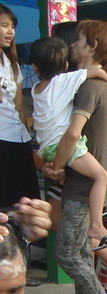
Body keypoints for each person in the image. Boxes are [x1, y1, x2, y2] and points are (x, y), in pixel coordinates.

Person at [44, 20, 107, 294]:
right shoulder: (90, 83)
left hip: (81, 184)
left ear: (92, 46)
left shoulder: (90, 88)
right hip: (82, 182)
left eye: (77, 40)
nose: (72, 45)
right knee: (79, 251)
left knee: (68, 254)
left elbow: (74, 132)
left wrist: (57, 166)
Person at [29, 37, 107, 247]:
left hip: (47, 149)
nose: (74, 45)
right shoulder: (65, 81)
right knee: (101, 176)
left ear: (35, 67)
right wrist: (106, 80)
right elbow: (96, 73)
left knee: (66, 205)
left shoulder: (36, 89)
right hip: (66, 146)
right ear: (65, 66)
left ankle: (101, 246)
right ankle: (97, 225)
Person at [0, 4, 40, 210]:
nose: (10, 31)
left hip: (18, 138)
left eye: (12, 26)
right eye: (4, 25)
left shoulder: (11, 63)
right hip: (1, 140)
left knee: (24, 205)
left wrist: (28, 134)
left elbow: (19, 107)